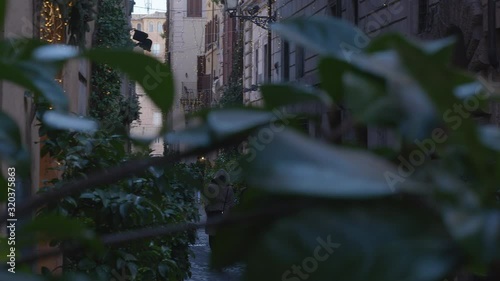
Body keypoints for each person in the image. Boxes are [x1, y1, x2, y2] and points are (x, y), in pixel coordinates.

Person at [204, 169, 235, 250]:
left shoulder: (210, 187)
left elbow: (206, 203)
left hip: (212, 214)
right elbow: (231, 204)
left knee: (212, 237)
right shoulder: (229, 189)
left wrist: (208, 211)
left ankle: (213, 252)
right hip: (223, 215)